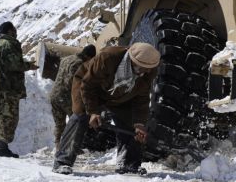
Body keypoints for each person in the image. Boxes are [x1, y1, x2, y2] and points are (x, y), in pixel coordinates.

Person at [53, 42, 160, 175]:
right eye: (144, 68)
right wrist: (93, 112)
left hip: (122, 94)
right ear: (133, 61)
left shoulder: (149, 70)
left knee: (132, 124)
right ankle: (63, 161)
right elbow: (88, 85)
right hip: (90, 88)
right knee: (80, 116)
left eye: (149, 68)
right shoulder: (107, 57)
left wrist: (139, 123)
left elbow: (142, 98)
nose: (147, 71)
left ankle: (128, 164)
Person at [0, 21, 38, 158]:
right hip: (8, 88)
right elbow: (15, 64)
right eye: (14, 29)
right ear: (10, 31)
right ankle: (3, 148)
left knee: (0, 117)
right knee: (9, 117)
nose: (16, 32)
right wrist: (29, 65)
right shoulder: (9, 44)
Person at [49, 45, 96, 149]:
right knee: (75, 122)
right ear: (89, 56)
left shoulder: (67, 58)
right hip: (67, 97)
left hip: (54, 95)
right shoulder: (79, 63)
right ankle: (72, 147)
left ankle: (58, 145)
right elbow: (73, 81)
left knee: (59, 123)